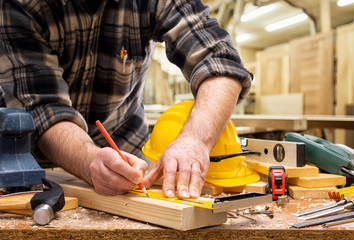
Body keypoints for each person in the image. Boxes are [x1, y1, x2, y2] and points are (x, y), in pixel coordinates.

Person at [0, 0, 252, 199]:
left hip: (130, 161)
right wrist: (89, 161)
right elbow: (44, 111)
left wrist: (195, 140)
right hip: (40, 170)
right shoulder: (20, 5)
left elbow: (221, 62)